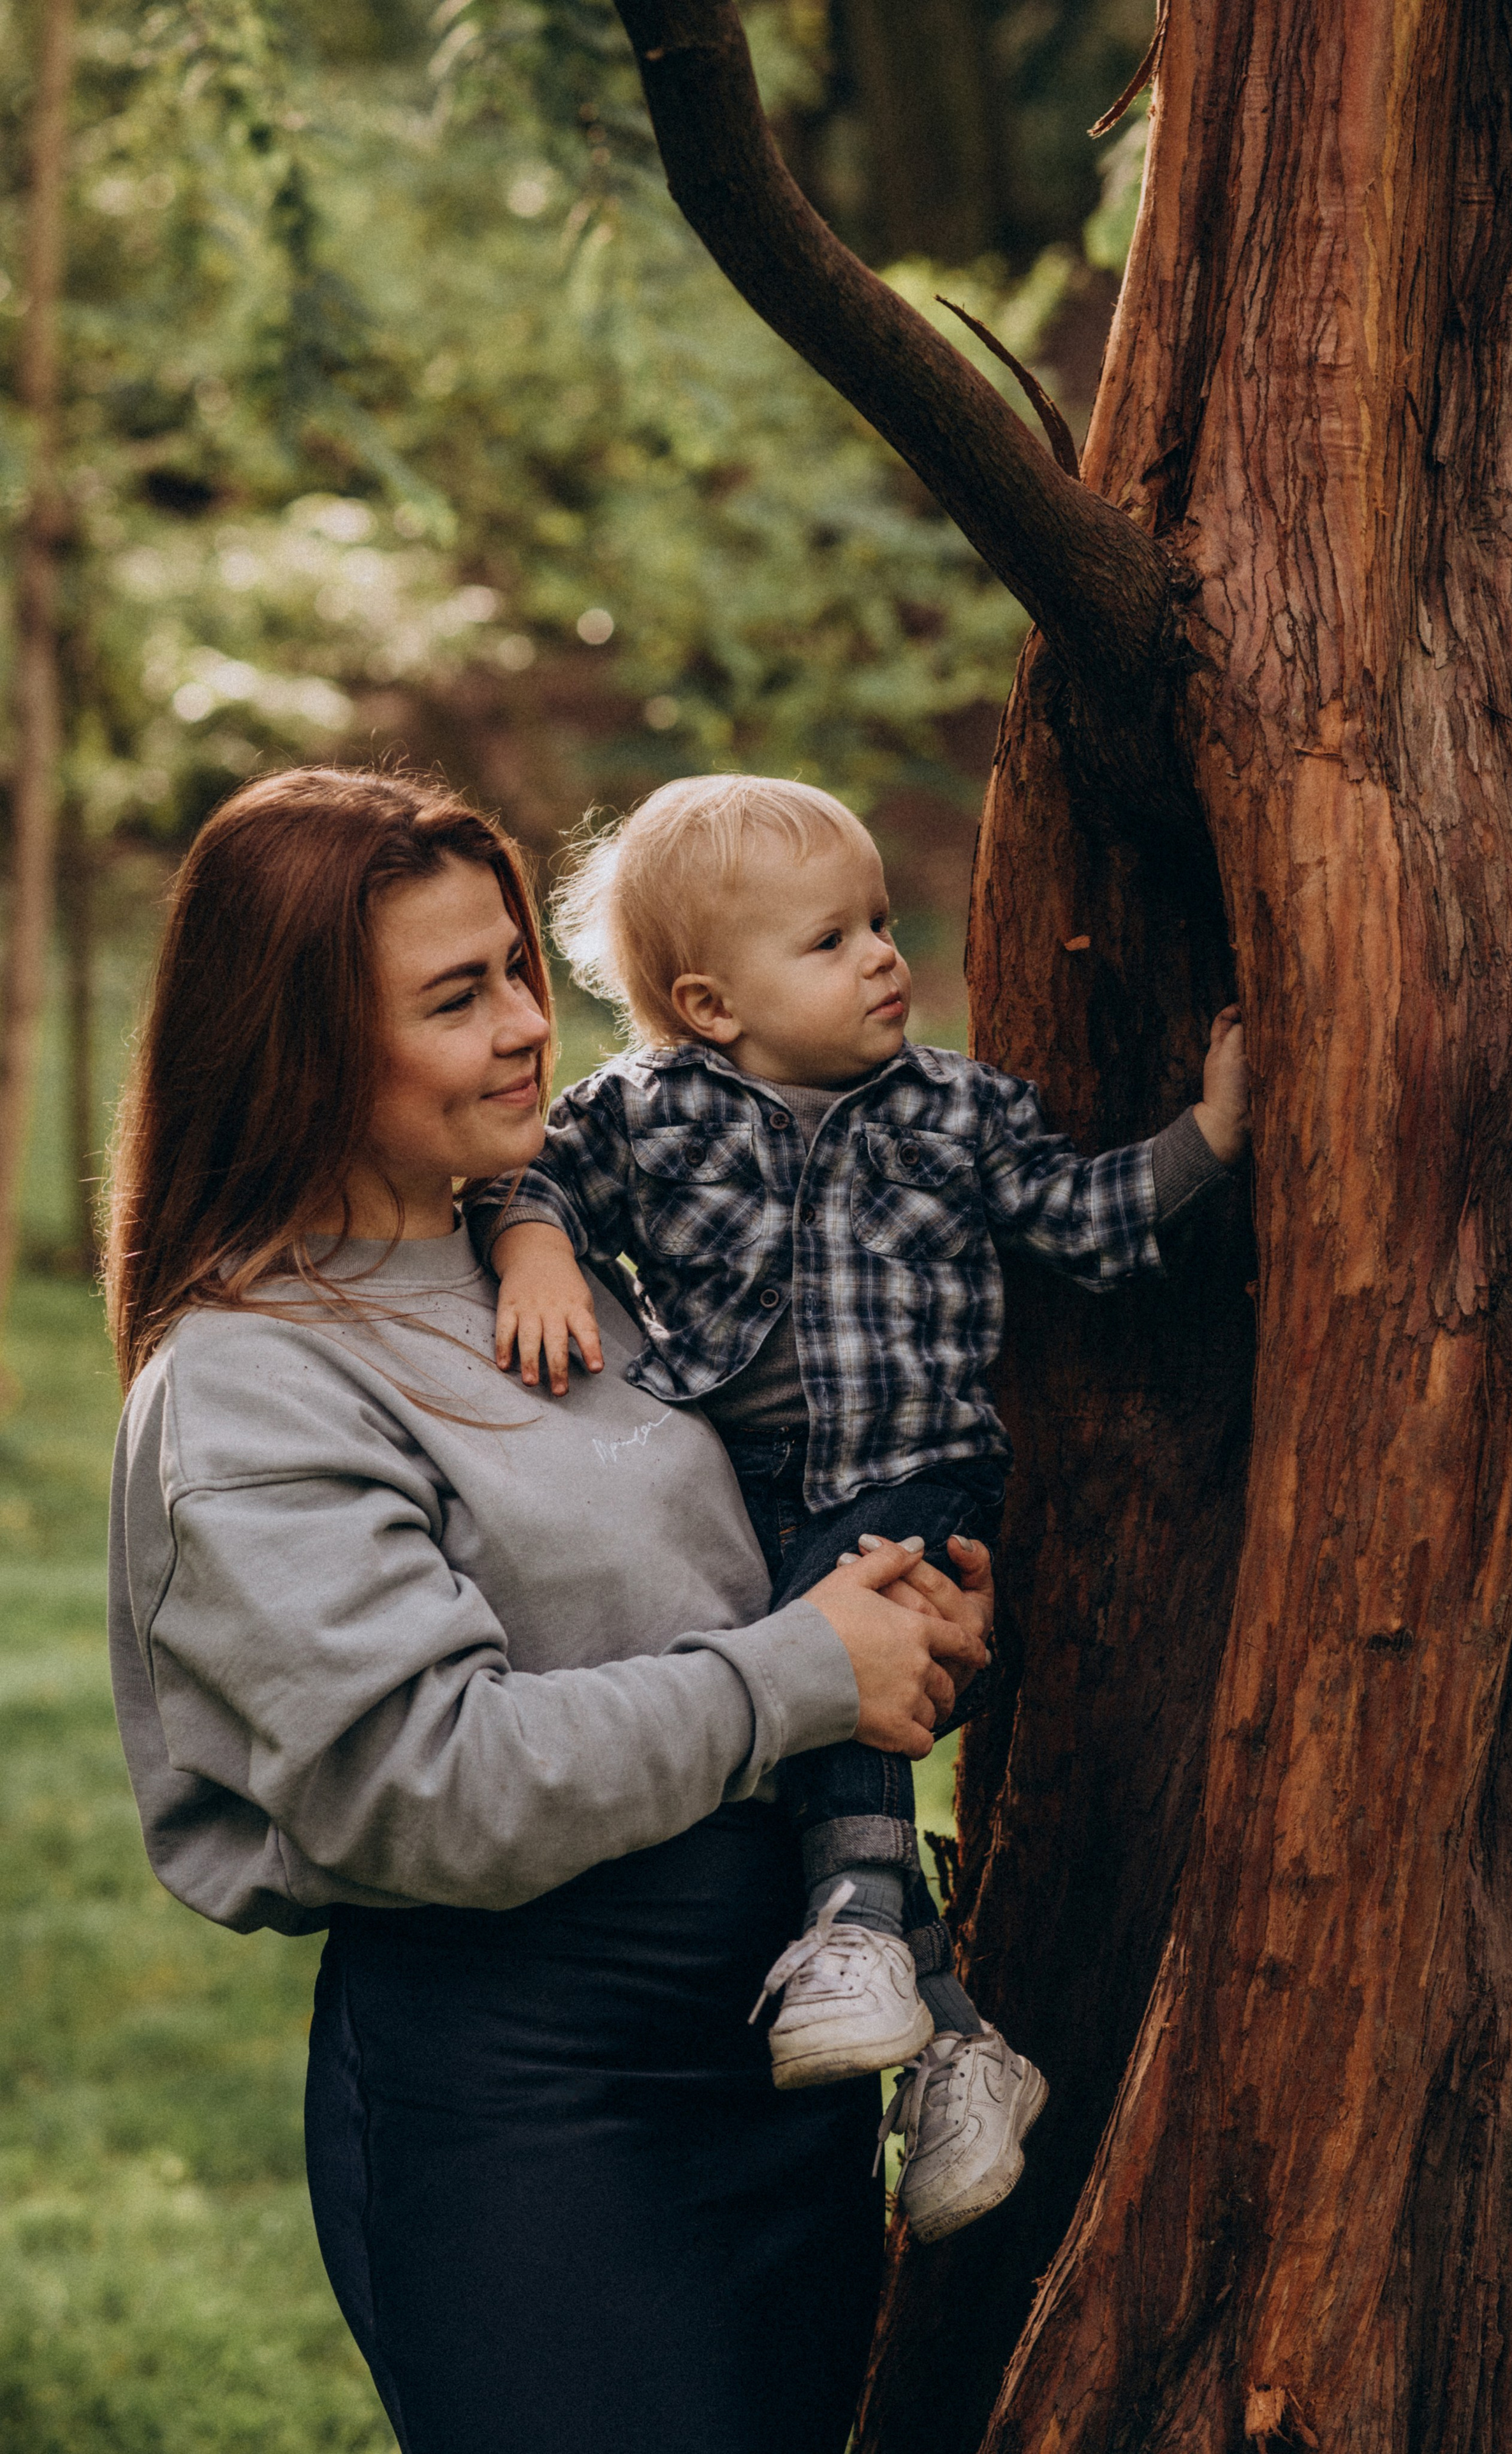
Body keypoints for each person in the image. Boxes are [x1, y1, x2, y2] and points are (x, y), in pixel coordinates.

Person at [103, 767, 994, 2454]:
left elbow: (749, 1552)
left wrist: (910, 1600)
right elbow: (428, 1783)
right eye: (458, 998)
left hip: (772, 2058)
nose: (530, 1024)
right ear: (305, 1051)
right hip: (536, 2105)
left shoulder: (571, 1270)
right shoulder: (252, 1383)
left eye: (519, 966)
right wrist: (805, 1671)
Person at [469, 773, 1251, 2243]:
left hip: (909, 1474)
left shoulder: (956, 1112)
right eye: (828, 941)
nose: (886, 955)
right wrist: (530, 1254)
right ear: (707, 1004)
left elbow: (1080, 1225)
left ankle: (849, 1936)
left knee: (838, 1656)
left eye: (881, 921)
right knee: (786, 1720)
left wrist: (1206, 1136)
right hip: (741, 1490)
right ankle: (953, 2040)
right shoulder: (637, 1117)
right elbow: (530, 1190)